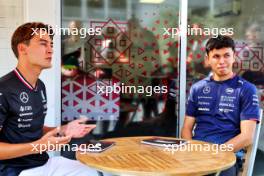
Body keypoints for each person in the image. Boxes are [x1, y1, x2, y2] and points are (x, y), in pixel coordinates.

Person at [0, 22, 99, 176]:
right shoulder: (3, 89)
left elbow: (29, 129)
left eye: (51, 44)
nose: (50, 50)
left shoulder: (40, 86)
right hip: (15, 171)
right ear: (22, 48)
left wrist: (63, 130)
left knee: (94, 171)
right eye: (43, 43)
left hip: (44, 163)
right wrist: (39, 146)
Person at [181, 35, 261, 176]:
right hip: (196, 155)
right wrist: (191, 151)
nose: (222, 61)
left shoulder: (246, 89)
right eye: (216, 56)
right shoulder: (197, 88)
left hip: (226, 158)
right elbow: (187, 128)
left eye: (226, 55)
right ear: (207, 59)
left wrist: (215, 154)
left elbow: (247, 136)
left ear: (234, 57)